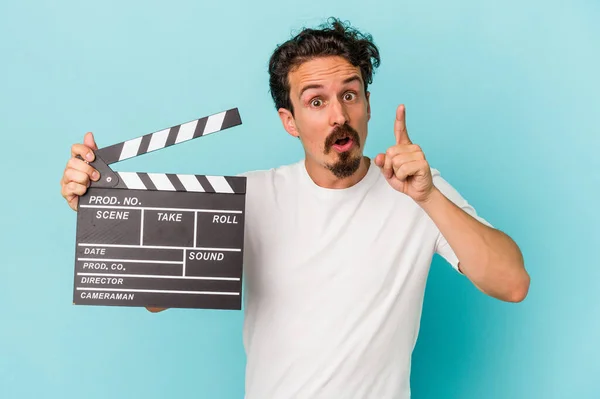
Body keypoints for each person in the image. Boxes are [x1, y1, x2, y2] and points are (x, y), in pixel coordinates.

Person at [60, 17, 529, 399]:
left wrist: (428, 197)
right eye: (316, 101)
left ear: (367, 103)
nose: (338, 115)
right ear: (290, 121)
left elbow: (512, 284)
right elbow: (157, 298)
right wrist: (101, 207)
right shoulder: (249, 197)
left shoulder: (417, 190)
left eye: (350, 94)